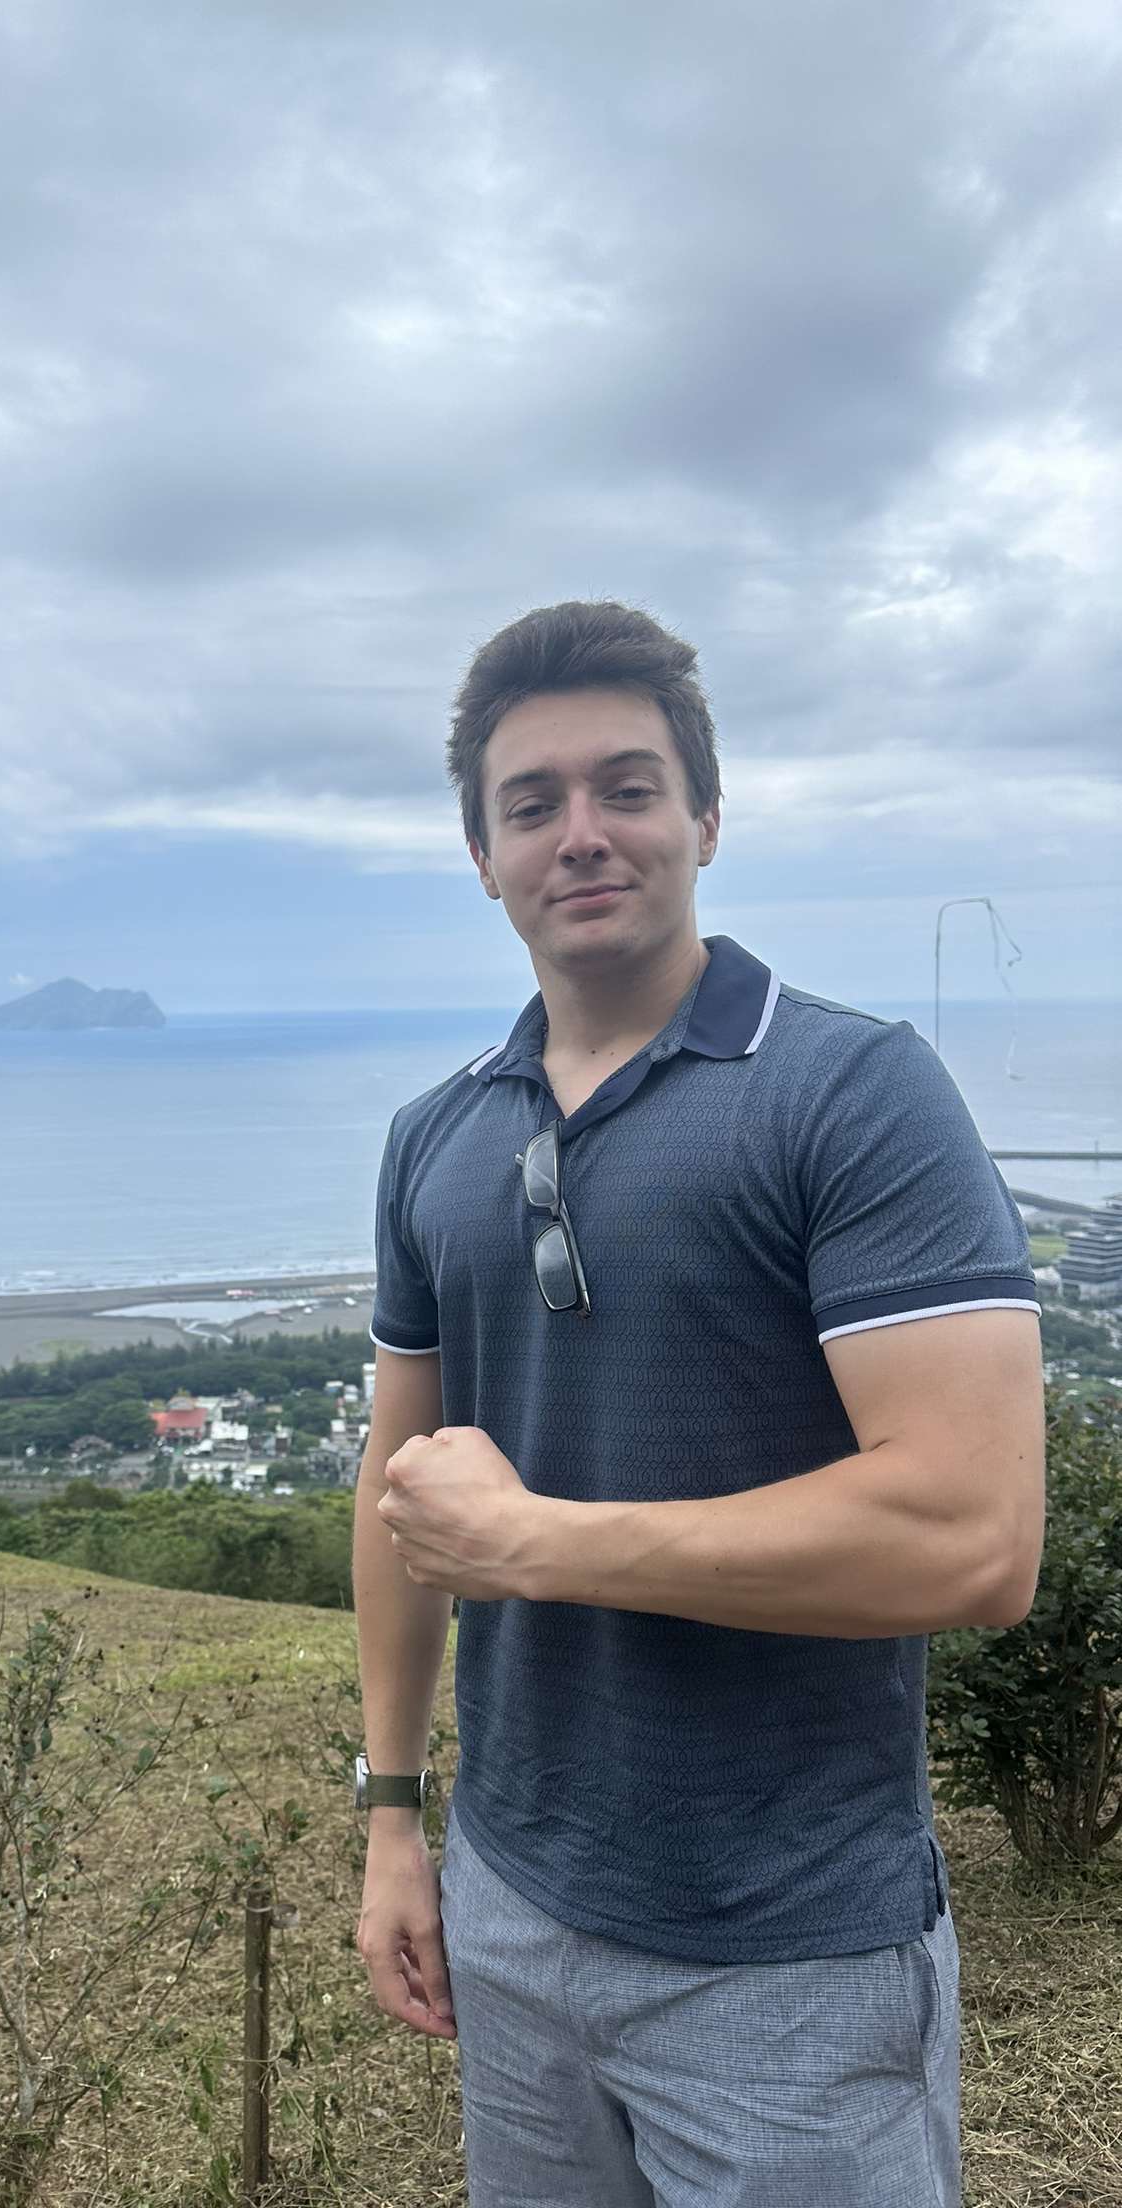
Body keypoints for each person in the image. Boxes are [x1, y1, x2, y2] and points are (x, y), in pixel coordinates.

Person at [350, 599, 1045, 2207]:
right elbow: (399, 1495)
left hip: (790, 1948)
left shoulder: (850, 1091)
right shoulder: (432, 1137)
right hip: (509, 1910)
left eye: (629, 787)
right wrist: (396, 1813)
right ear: (482, 855)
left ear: (705, 819)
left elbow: (972, 1540)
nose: (581, 835)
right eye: (532, 804)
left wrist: (543, 1545)